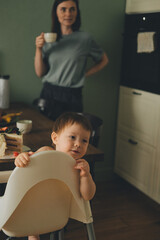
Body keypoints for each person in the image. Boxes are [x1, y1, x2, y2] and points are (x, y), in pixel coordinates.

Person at [15, 112, 96, 240]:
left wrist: (86, 176)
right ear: (55, 138)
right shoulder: (46, 152)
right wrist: (22, 158)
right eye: (72, 137)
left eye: (84, 140)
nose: (78, 144)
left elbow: (88, 195)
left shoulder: (80, 166)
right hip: (33, 206)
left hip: (61, 210)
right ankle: (33, 234)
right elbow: (26, 169)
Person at [34, 0, 109, 120]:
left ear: (77, 12)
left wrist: (84, 74)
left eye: (72, 9)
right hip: (49, 93)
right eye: (63, 9)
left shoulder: (85, 39)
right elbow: (40, 73)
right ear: (56, 12)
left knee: (70, 136)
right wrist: (38, 48)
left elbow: (104, 60)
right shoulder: (48, 39)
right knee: (47, 135)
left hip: (72, 96)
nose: (68, 14)